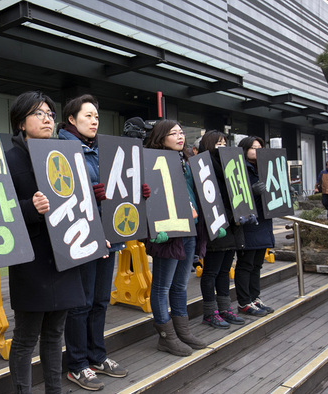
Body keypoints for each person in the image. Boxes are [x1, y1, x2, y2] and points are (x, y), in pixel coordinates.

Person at [57, 96, 151, 391]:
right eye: (88, 115)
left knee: (99, 301)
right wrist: (87, 193)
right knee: (81, 304)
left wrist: (136, 191)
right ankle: (77, 364)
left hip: (109, 239)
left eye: (97, 115)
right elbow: (61, 193)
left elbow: (118, 187)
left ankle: (97, 356)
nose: (95, 120)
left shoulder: (104, 150)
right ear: (72, 119)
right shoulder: (61, 149)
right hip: (82, 239)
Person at [5, 91, 86, 394]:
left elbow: (80, 203)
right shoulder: (10, 159)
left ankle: (55, 389)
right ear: (21, 123)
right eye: (38, 113)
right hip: (32, 262)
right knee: (26, 337)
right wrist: (29, 208)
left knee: (55, 334)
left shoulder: (65, 153)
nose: (47, 118)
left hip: (65, 254)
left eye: (50, 113)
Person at [144, 119, 207, 357]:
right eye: (174, 133)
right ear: (161, 138)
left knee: (180, 285)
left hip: (190, 228)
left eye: (181, 132)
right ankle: (166, 337)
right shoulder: (150, 161)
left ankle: (183, 331)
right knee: (162, 286)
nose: (180, 136)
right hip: (168, 232)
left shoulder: (187, 161)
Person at [198, 131, 245, 329]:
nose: (222, 146)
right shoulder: (203, 166)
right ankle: (210, 312)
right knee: (211, 271)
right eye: (218, 143)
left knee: (225, 269)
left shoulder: (231, 164)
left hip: (232, 225)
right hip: (215, 225)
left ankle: (225, 308)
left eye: (225, 142)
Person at [235, 136, 274, 317]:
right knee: (246, 264)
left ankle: (254, 297)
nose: (257, 150)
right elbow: (235, 194)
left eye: (260, 147)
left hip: (264, 222)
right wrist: (252, 191)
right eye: (253, 147)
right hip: (249, 223)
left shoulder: (265, 167)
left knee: (257, 264)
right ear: (244, 149)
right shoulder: (239, 168)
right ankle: (244, 302)